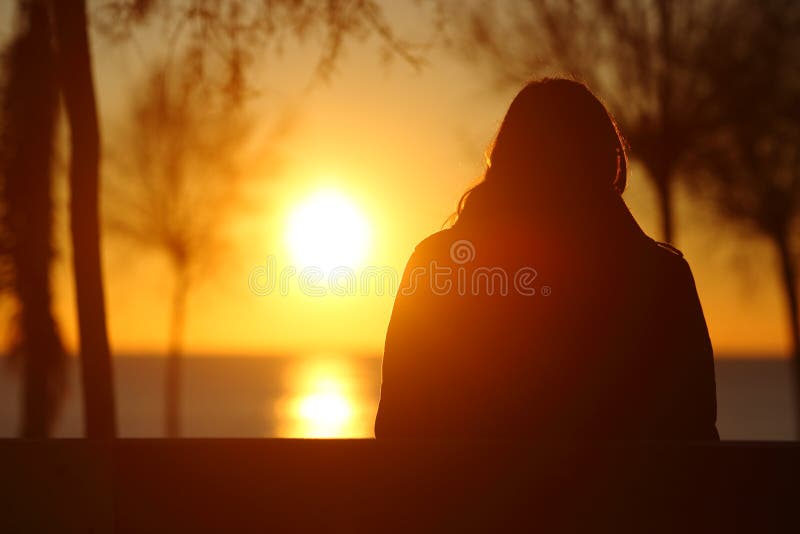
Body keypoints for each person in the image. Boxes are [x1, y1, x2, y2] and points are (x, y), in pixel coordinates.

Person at [374, 78, 719, 440]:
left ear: (507, 160)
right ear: (606, 162)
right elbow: (697, 431)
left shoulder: (438, 266)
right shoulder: (662, 278)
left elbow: (396, 424)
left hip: (471, 496)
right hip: (623, 497)